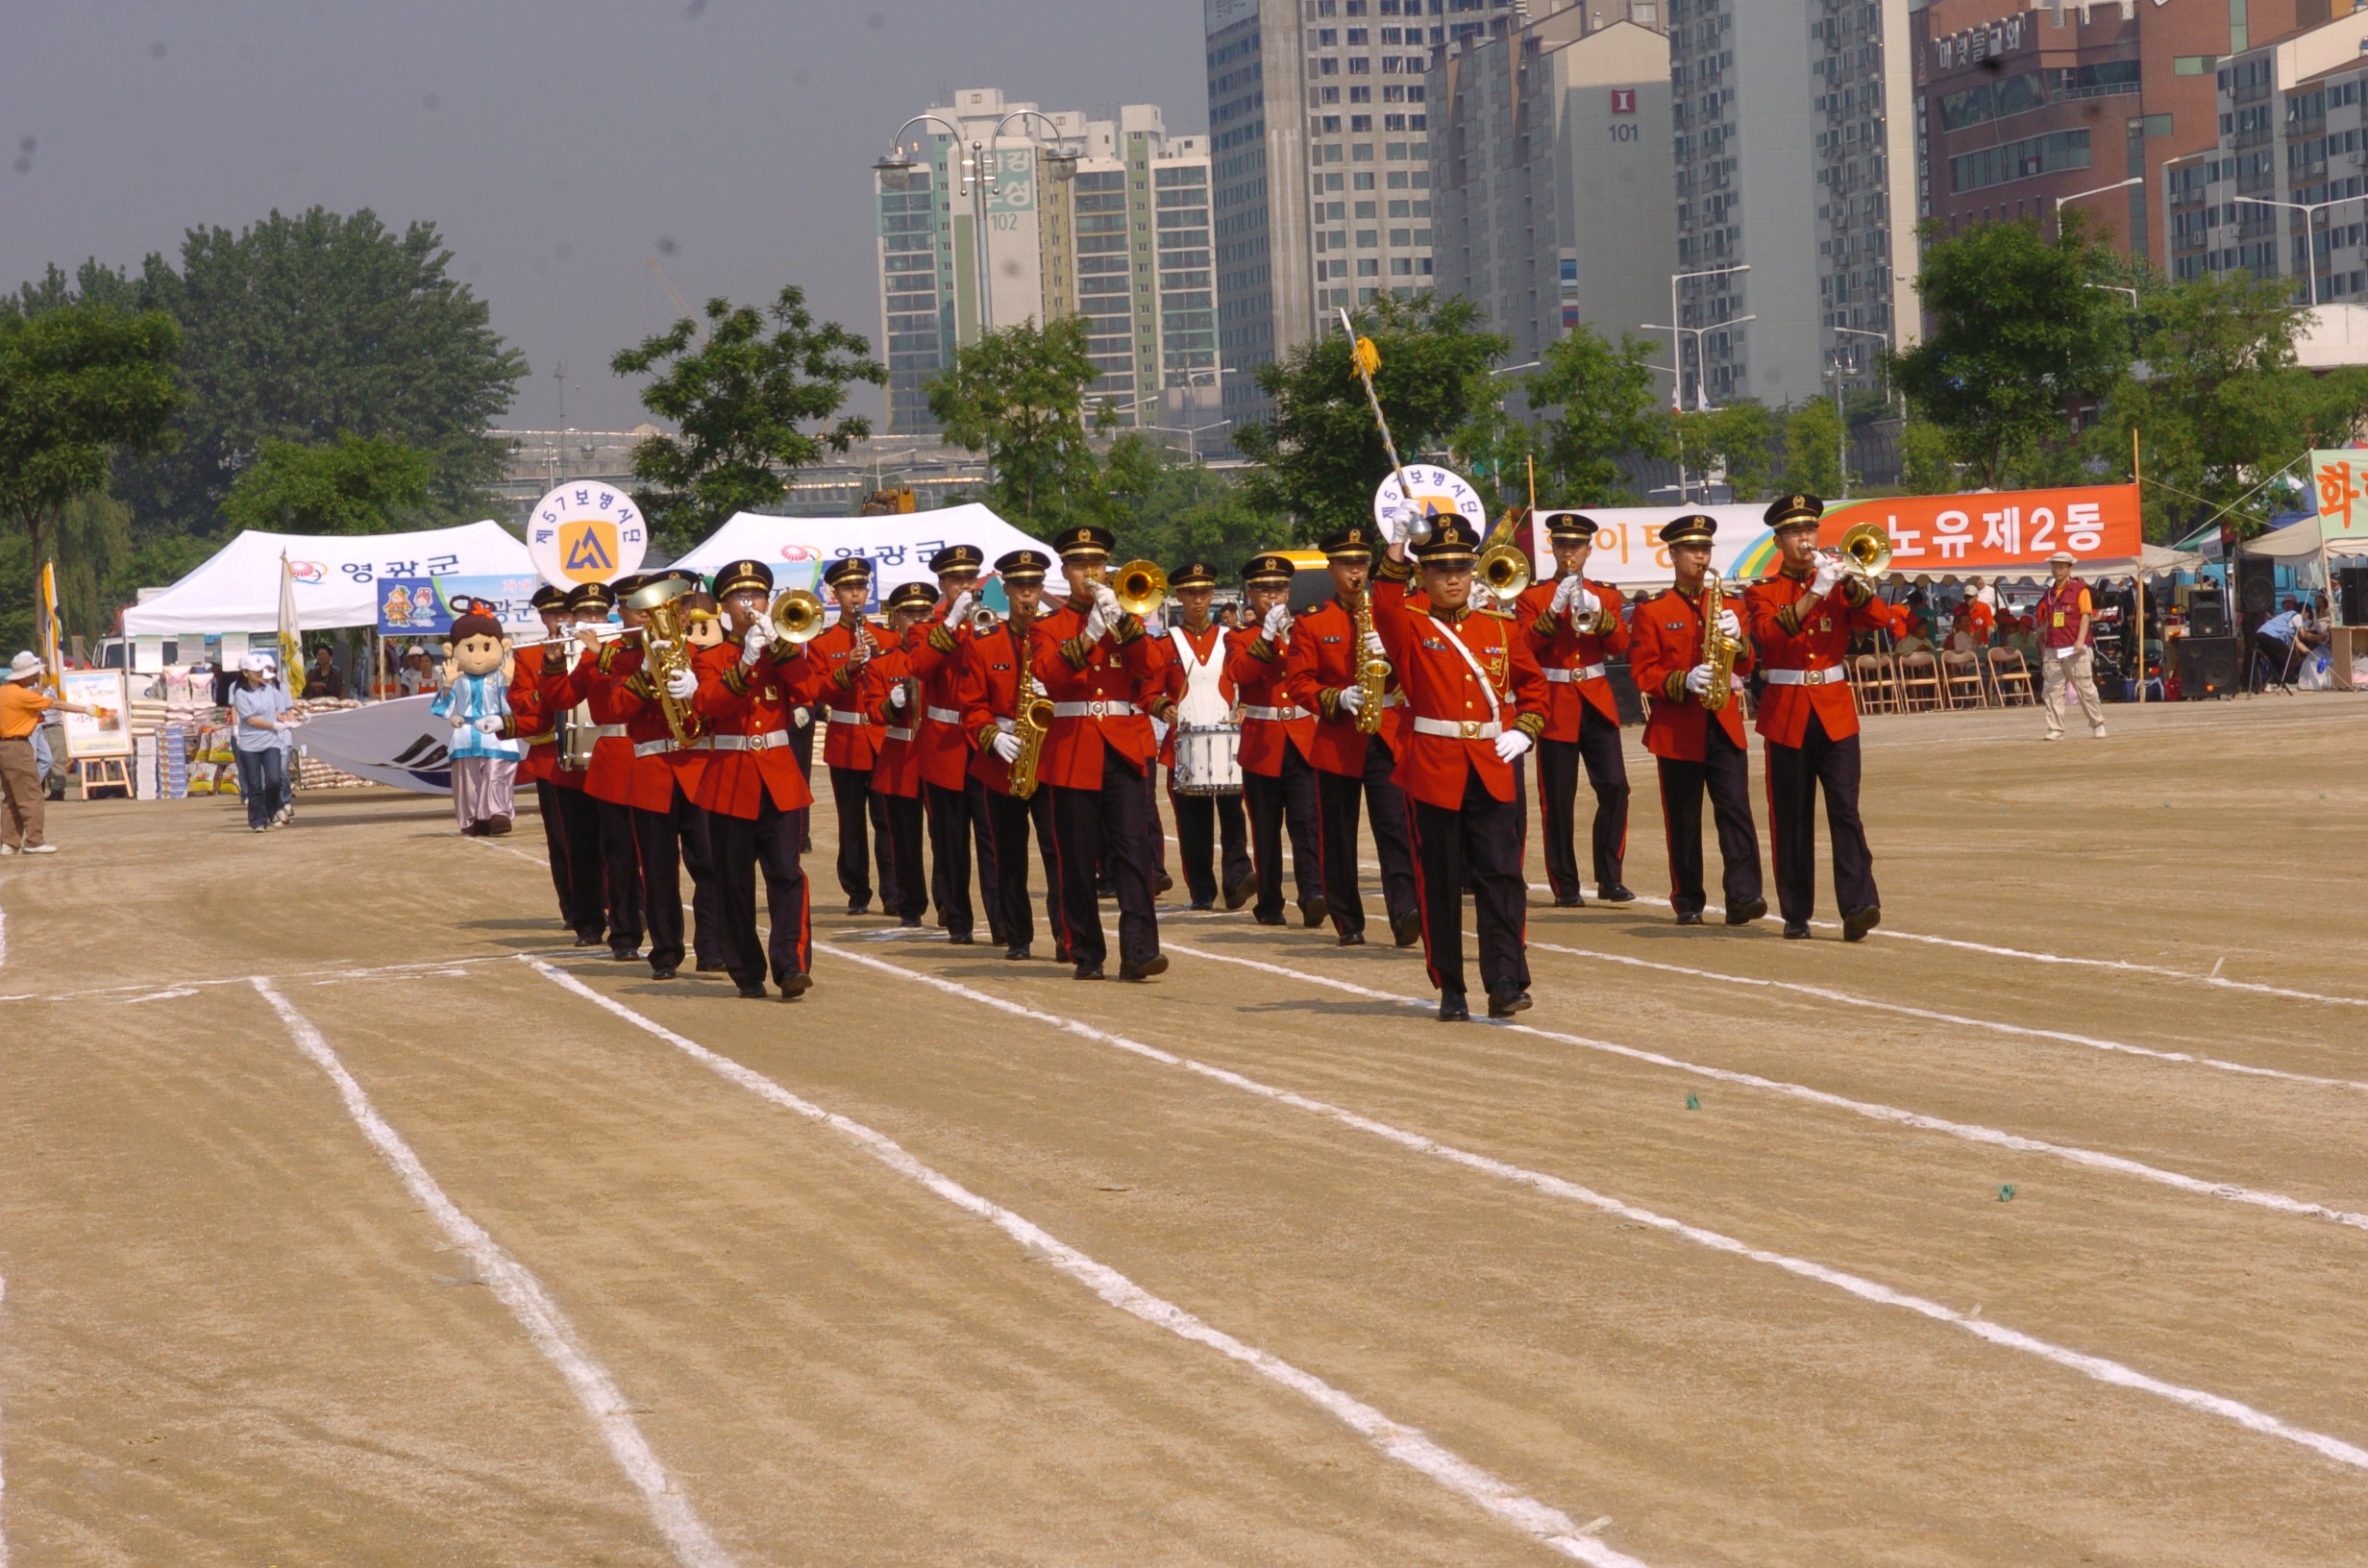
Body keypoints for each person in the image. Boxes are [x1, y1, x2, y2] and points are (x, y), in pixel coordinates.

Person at [1370, 515, 1549, 1020]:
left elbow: (1534, 687)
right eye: (1441, 568)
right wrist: (1398, 545)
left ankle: (1505, 979)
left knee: (1501, 876)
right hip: (1433, 767)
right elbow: (1382, 601)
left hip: (1492, 763)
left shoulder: (1499, 626)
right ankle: (1451, 984)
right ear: (1422, 576)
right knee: (1441, 881)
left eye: (1462, 568)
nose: (1453, 578)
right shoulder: (1409, 622)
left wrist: (1525, 729)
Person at [1741, 493, 1903, 943]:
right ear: (1778, 541)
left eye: (1810, 530)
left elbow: (1879, 618)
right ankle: (1796, 911)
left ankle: (1859, 904)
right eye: (1794, 532)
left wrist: (1848, 585)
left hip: (1833, 709)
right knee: (1791, 815)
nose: (1804, 539)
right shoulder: (1761, 591)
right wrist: (1815, 592)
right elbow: (1770, 635)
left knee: (1845, 810)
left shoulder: (1836, 580)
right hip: (1787, 709)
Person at [1027, 525, 1170, 981]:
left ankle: (1140, 951)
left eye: (1097, 564)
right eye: (1079, 565)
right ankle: (1086, 951)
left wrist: (1125, 627)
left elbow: (1152, 669)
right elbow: (1050, 675)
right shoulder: (1048, 628)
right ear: (1065, 572)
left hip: (1123, 745)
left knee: (1133, 851)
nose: (1090, 573)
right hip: (1072, 748)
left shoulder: (1128, 620)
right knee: (1076, 856)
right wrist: (1088, 636)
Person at [1625, 514, 1766, 928]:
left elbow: (1749, 661)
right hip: (1677, 729)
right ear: (1672, 554)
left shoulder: (1731, 604)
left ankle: (1744, 895)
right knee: (1684, 818)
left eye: (1705, 549)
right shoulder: (1653, 610)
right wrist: (1682, 680)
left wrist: (1739, 640)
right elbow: (1642, 672)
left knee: (1736, 811)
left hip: (1722, 721)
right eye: (1692, 550)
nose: (1701, 557)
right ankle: (1688, 898)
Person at [1285, 525, 1421, 946]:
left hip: (1384, 732)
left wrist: (1393, 652)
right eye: (1347, 564)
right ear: (1331, 569)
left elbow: (1417, 670)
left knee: (1395, 826)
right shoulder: (1312, 621)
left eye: (1362, 563)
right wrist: (1336, 697)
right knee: (1338, 833)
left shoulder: (1388, 613)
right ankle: (1348, 919)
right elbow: (1299, 682)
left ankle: (1405, 912)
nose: (1356, 573)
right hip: (1339, 738)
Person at [690, 559, 820, 1000]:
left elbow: (809, 690)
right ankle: (746, 969)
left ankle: (792, 965)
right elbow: (709, 704)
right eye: (740, 597)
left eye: (758, 596)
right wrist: (744, 664)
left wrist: (779, 650)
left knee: (787, 874)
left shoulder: (786, 649)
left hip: (779, 776)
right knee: (734, 881)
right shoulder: (710, 658)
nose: (751, 604)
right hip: (731, 779)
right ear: (724, 607)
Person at [1516, 511, 1635, 909]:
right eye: (1563, 545)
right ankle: (1565, 883)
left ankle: (1610, 876)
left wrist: (1599, 615)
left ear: (1588, 549)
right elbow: (1523, 650)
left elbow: (1620, 646)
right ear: (1553, 547)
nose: (1570, 552)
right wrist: (1552, 612)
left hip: (1596, 699)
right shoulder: (1532, 597)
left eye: (1577, 546)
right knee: (1558, 798)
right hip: (1554, 702)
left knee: (1615, 786)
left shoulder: (1608, 594)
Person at [958, 548, 1068, 962]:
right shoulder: (983, 644)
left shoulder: (1056, 638)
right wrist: (992, 737)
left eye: (1033, 587)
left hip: (1048, 757)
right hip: (1000, 762)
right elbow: (971, 706)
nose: (1027, 596)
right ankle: (1018, 935)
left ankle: (1064, 933)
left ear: (1042, 590)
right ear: (1005, 590)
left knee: (1057, 851)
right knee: (1008, 854)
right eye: (1019, 588)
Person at [907, 546, 1004, 944]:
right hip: (944, 745)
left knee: (993, 839)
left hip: (982, 742)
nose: (965, 586)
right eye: (956, 580)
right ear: (942, 585)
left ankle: (1002, 923)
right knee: (950, 841)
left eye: (970, 578)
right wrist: (950, 622)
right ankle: (959, 921)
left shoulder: (990, 622)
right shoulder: (925, 628)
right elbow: (918, 666)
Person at [1227, 552, 1326, 929]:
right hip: (1262, 741)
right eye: (1265, 590)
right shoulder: (1241, 636)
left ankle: (1313, 893)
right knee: (1266, 828)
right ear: (1251, 595)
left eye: (1280, 589)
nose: (1274, 597)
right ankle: (1269, 902)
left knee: (1307, 822)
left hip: (1301, 737)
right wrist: (1267, 636)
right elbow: (1240, 672)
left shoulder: (1305, 628)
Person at [506, 584, 607, 947]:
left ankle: (615, 904)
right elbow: (522, 703)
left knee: (614, 837)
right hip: (554, 757)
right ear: (542, 618)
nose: (559, 620)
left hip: (603, 752)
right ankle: (576, 909)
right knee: (566, 840)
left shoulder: (601, 647)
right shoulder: (531, 654)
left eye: (564, 613)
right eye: (551, 614)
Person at [1157, 561, 1254, 913]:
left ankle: (1237, 879)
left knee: (1233, 815)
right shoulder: (1166, 642)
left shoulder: (1232, 638)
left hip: (1227, 738)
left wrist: (1245, 707)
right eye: (1190, 593)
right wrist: (1162, 706)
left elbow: (1247, 680)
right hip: (1185, 742)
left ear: (1212, 595)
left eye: (1204, 593)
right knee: (1192, 822)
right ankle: (1202, 888)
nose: (1198, 600)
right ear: (1179, 596)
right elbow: (1150, 689)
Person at [811, 557, 898, 915]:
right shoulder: (822, 642)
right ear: (835, 594)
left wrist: (881, 657)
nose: (855, 595)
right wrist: (846, 669)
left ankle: (893, 893)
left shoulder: (890, 638)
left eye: (860, 588)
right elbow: (818, 692)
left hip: (882, 737)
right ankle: (857, 892)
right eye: (847, 589)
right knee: (851, 823)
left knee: (888, 820)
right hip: (846, 739)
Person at [575, 575, 653, 960]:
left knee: (673, 856)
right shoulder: (606, 653)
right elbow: (573, 698)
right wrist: (576, 660)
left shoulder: (675, 647)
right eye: (635, 608)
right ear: (621, 613)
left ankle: (688, 938)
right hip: (618, 758)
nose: (643, 614)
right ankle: (624, 933)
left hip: (662, 758)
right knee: (620, 854)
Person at [871, 580, 937, 928]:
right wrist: (890, 704)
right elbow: (872, 711)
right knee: (904, 838)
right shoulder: (883, 662)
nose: (917, 619)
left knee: (944, 838)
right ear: (895, 618)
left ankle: (948, 904)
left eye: (924, 612)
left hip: (937, 753)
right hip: (900, 756)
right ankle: (909, 905)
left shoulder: (943, 655)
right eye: (909, 613)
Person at [429, 605, 523, 837]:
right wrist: (448, 685)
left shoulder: (501, 675)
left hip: (498, 733)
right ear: (451, 650)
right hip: (466, 734)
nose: (479, 657)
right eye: (469, 648)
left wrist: (511, 684)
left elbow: (513, 709)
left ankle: (497, 813)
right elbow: (441, 710)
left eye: (487, 647)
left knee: (498, 772)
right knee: (466, 781)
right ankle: (472, 818)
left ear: (504, 647)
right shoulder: (457, 677)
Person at [1, 651, 97, 855]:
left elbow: (35, 696)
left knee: (11, 796)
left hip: (3, 748)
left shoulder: (4, 692)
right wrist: (85, 709)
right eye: (34, 674)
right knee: (32, 795)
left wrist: (41, 679)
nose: (36, 677)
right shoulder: (24, 695)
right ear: (25, 676)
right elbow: (55, 704)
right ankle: (35, 841)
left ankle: (9, 843)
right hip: (18, 747)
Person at [2035, 551, 2108, 740]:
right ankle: (2056, 728)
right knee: (2052, 690)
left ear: (2069, 568)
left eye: (2061, 566)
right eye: (2054, 566)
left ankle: (2097, 723)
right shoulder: (2049, 592)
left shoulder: (2080, 589)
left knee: (2085, 688)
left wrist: (2080, 640)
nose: (2057, 570)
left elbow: (2086, 615)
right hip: (2053, 646)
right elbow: (2047, 620)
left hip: (2075, 647)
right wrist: (2043, 640)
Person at [230, 652, 298, 832]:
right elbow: (250, 720)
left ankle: (273, 809)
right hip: (250, 745)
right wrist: (274, 725)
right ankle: (257, 821)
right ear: (245, 672)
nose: (261, 674)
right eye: (256, 671)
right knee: (255, 785)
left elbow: (276, 710)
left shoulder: (268, 690)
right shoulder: (240, 693)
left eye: (262, 670)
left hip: (271, 742)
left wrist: (287, 722)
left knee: (274, 780)